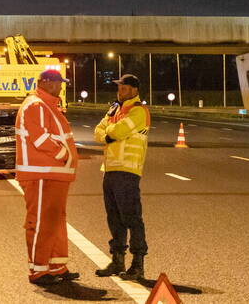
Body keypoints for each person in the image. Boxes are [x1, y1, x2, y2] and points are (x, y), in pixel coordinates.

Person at [15, 69, 80, 286]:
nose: (61, 86)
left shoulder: (49, 106)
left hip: (54, 174)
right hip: (41, 173)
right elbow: (40, 138)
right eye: (58, 82)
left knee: (55, 221)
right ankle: (38, 269)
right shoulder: (36, 105)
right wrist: (64, 155)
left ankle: (56, 266)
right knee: (42, 222)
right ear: (46, 82)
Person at [93, 74, 151, 280]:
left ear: (135, 90)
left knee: (132, 218)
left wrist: (108, 133)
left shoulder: (138, 111)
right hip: (109, 170)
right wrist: (108, 133)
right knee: (114, 218)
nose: (120, 90)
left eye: (124, 88)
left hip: (128, 170)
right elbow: (98, 131)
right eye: (119, 87)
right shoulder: (115, 109)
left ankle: (137, 264)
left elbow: (116, 132)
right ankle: (117, 261)